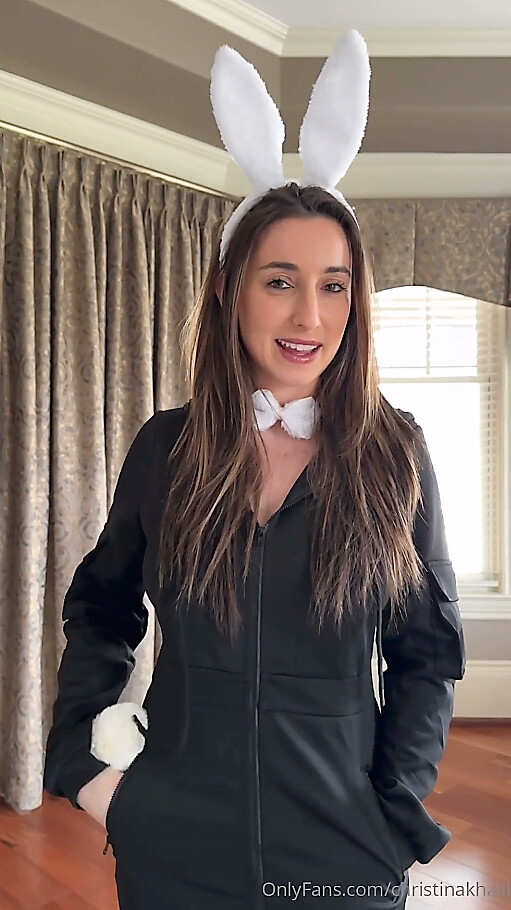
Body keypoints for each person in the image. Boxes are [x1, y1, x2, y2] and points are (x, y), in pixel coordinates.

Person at [43, 32, 466, 909]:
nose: (309, 315)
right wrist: (87, 770)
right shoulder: (166, 449)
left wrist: (393, 812)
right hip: (172, 835)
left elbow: (424, 655)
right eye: (279, 281)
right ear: (229, 288)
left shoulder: (396, 454)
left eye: (334, 284)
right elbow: (102, 608)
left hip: (347, 845)